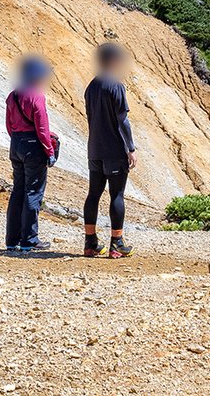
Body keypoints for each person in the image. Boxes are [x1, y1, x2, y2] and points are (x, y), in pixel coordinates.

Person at [82, 42, 136, 258]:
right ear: (114, 60)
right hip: (114, 150)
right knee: (117, 194)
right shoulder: (116, 86)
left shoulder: (91, 87)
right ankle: (117, 243)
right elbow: (123, 121)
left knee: (93, 194)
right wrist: (130, 148)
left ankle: (90, 243)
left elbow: (90, 118)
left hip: (94, 149)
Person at [5, 56, 58, 253]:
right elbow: (43, 129)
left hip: (16, 143)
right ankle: (29, 240)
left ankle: (12, 240)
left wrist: (18, 140)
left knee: (17, 191)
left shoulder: (13, 95)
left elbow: (9, 125)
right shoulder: (37, 96)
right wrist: (49, 152)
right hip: (33, 145)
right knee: (33, 192)